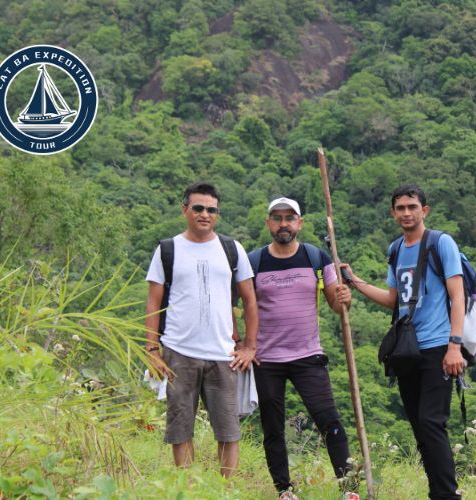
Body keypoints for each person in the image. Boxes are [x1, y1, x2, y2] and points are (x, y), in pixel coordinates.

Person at [341, 184, 465, 500]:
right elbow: (395, 299)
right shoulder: (396, 249)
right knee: (420, 427)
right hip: (407, 349)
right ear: (393, 213)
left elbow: (457, 294)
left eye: (412, 207)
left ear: (424, 210)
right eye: (400, 208)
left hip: (438, 346)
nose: (406, 213)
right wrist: (355, 282)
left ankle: (447, 495)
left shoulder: (441, 243)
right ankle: (437, 491)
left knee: (432, 422)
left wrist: (455, 346)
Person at [144, 182, 259, 476]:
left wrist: (250, 346)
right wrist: (152, 349)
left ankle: (227, 492)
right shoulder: (168, 249)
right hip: (178, 352)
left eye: (211, 209)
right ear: (185, 210)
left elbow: (249, 299)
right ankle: (188, 489)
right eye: (198, 208)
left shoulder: (232, 249)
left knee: (228, 429)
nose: (205, 214)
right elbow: (154, 302)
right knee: (180, 428)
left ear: (217, 214)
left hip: (223, 353)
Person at [250, 197, 357, 500]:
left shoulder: (316, 258)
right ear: (269, 222)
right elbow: (241, 304)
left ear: (300, 223)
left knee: (330, 420)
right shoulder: (253, 262)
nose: (283, 223)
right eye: (277, 217)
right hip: (266, 359)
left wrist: (344, 297)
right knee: (273, 428)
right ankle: (284, 490)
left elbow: (336, 305)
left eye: (289, 217)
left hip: (308, 356)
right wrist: (242, 343)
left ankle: (348, 489)